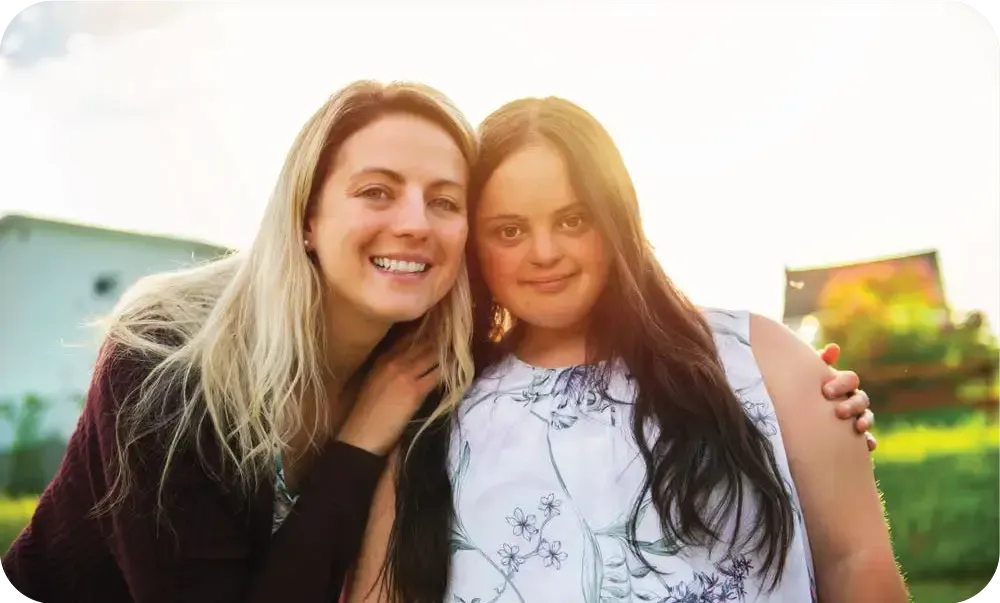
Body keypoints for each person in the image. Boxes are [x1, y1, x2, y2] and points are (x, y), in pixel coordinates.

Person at [349, 96, 905, 603]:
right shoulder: (437, 414)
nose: (544, 252)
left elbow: (856, 562)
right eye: (510, 230)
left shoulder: (756, 356)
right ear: (474, 244)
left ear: (616, 220)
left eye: (573, 220)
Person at [1, 80, 480, 603]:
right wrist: (358, 444)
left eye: (445, 201)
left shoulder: (428, 374)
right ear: (306, 219)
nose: (415, 223)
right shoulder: (166, 361)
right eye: (376, 192)